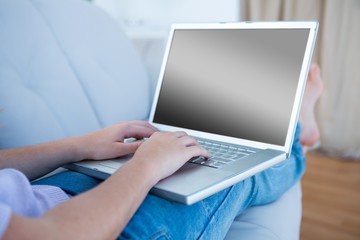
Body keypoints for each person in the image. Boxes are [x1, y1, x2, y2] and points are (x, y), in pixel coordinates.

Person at [0, 63, 323, 239]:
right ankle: (298, 134)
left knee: (198, 150)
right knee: (239, 175)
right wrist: (144, 167)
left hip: (47, 194)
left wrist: (77, 146)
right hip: (90, 229)